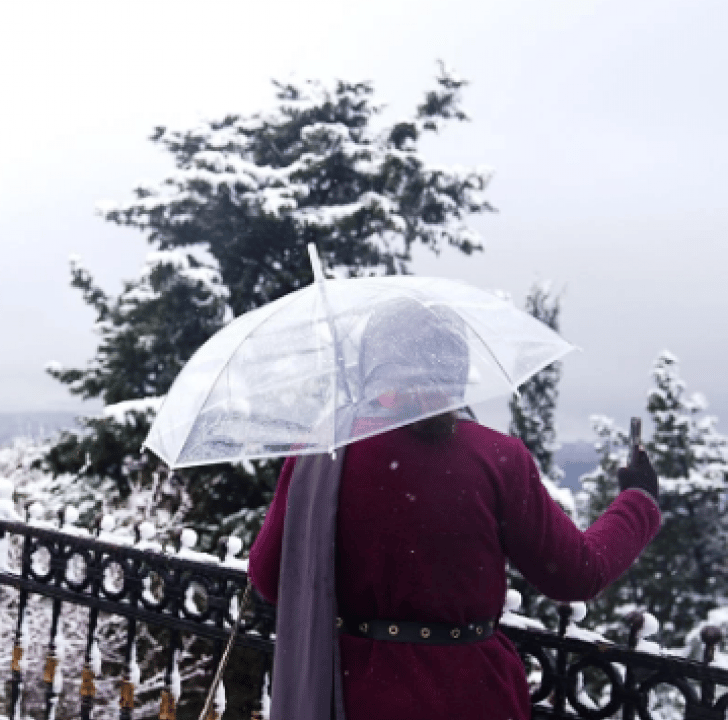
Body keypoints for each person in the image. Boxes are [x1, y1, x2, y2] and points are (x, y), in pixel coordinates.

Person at [247, 299, 663, 720]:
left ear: (371, 365)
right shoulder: (496, 456)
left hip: (352, 695)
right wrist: (638, 501)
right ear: (455, 368)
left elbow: (269, 577)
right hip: (470, 696)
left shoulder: (322, 455)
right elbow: (576, 572)